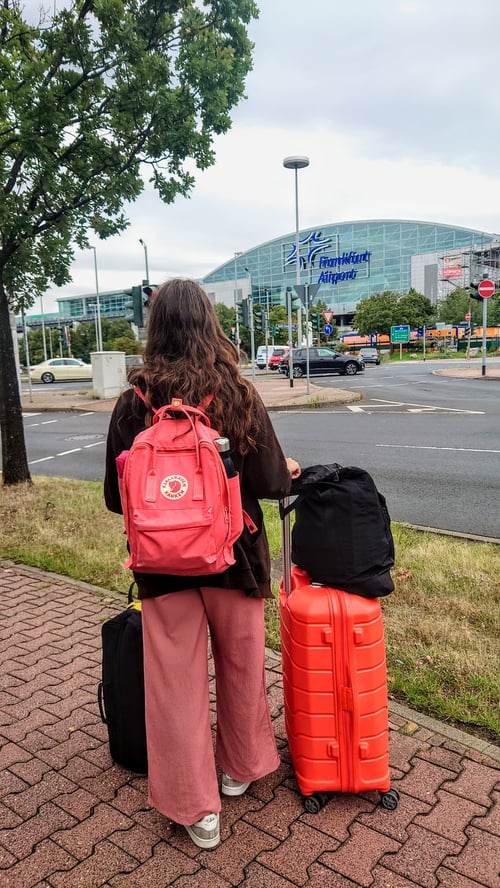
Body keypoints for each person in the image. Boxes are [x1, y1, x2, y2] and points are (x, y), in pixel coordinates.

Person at [104, 279, 300, 850]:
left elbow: (116, 498)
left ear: (156, 328)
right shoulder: (236, 393)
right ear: (209, 324)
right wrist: (286, 468)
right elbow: (270, 481)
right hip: (235, 558)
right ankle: (239, 767)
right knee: (241, 666)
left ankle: (194, 807)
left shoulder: (134, 401)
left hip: (161, 566)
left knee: (174, 684)